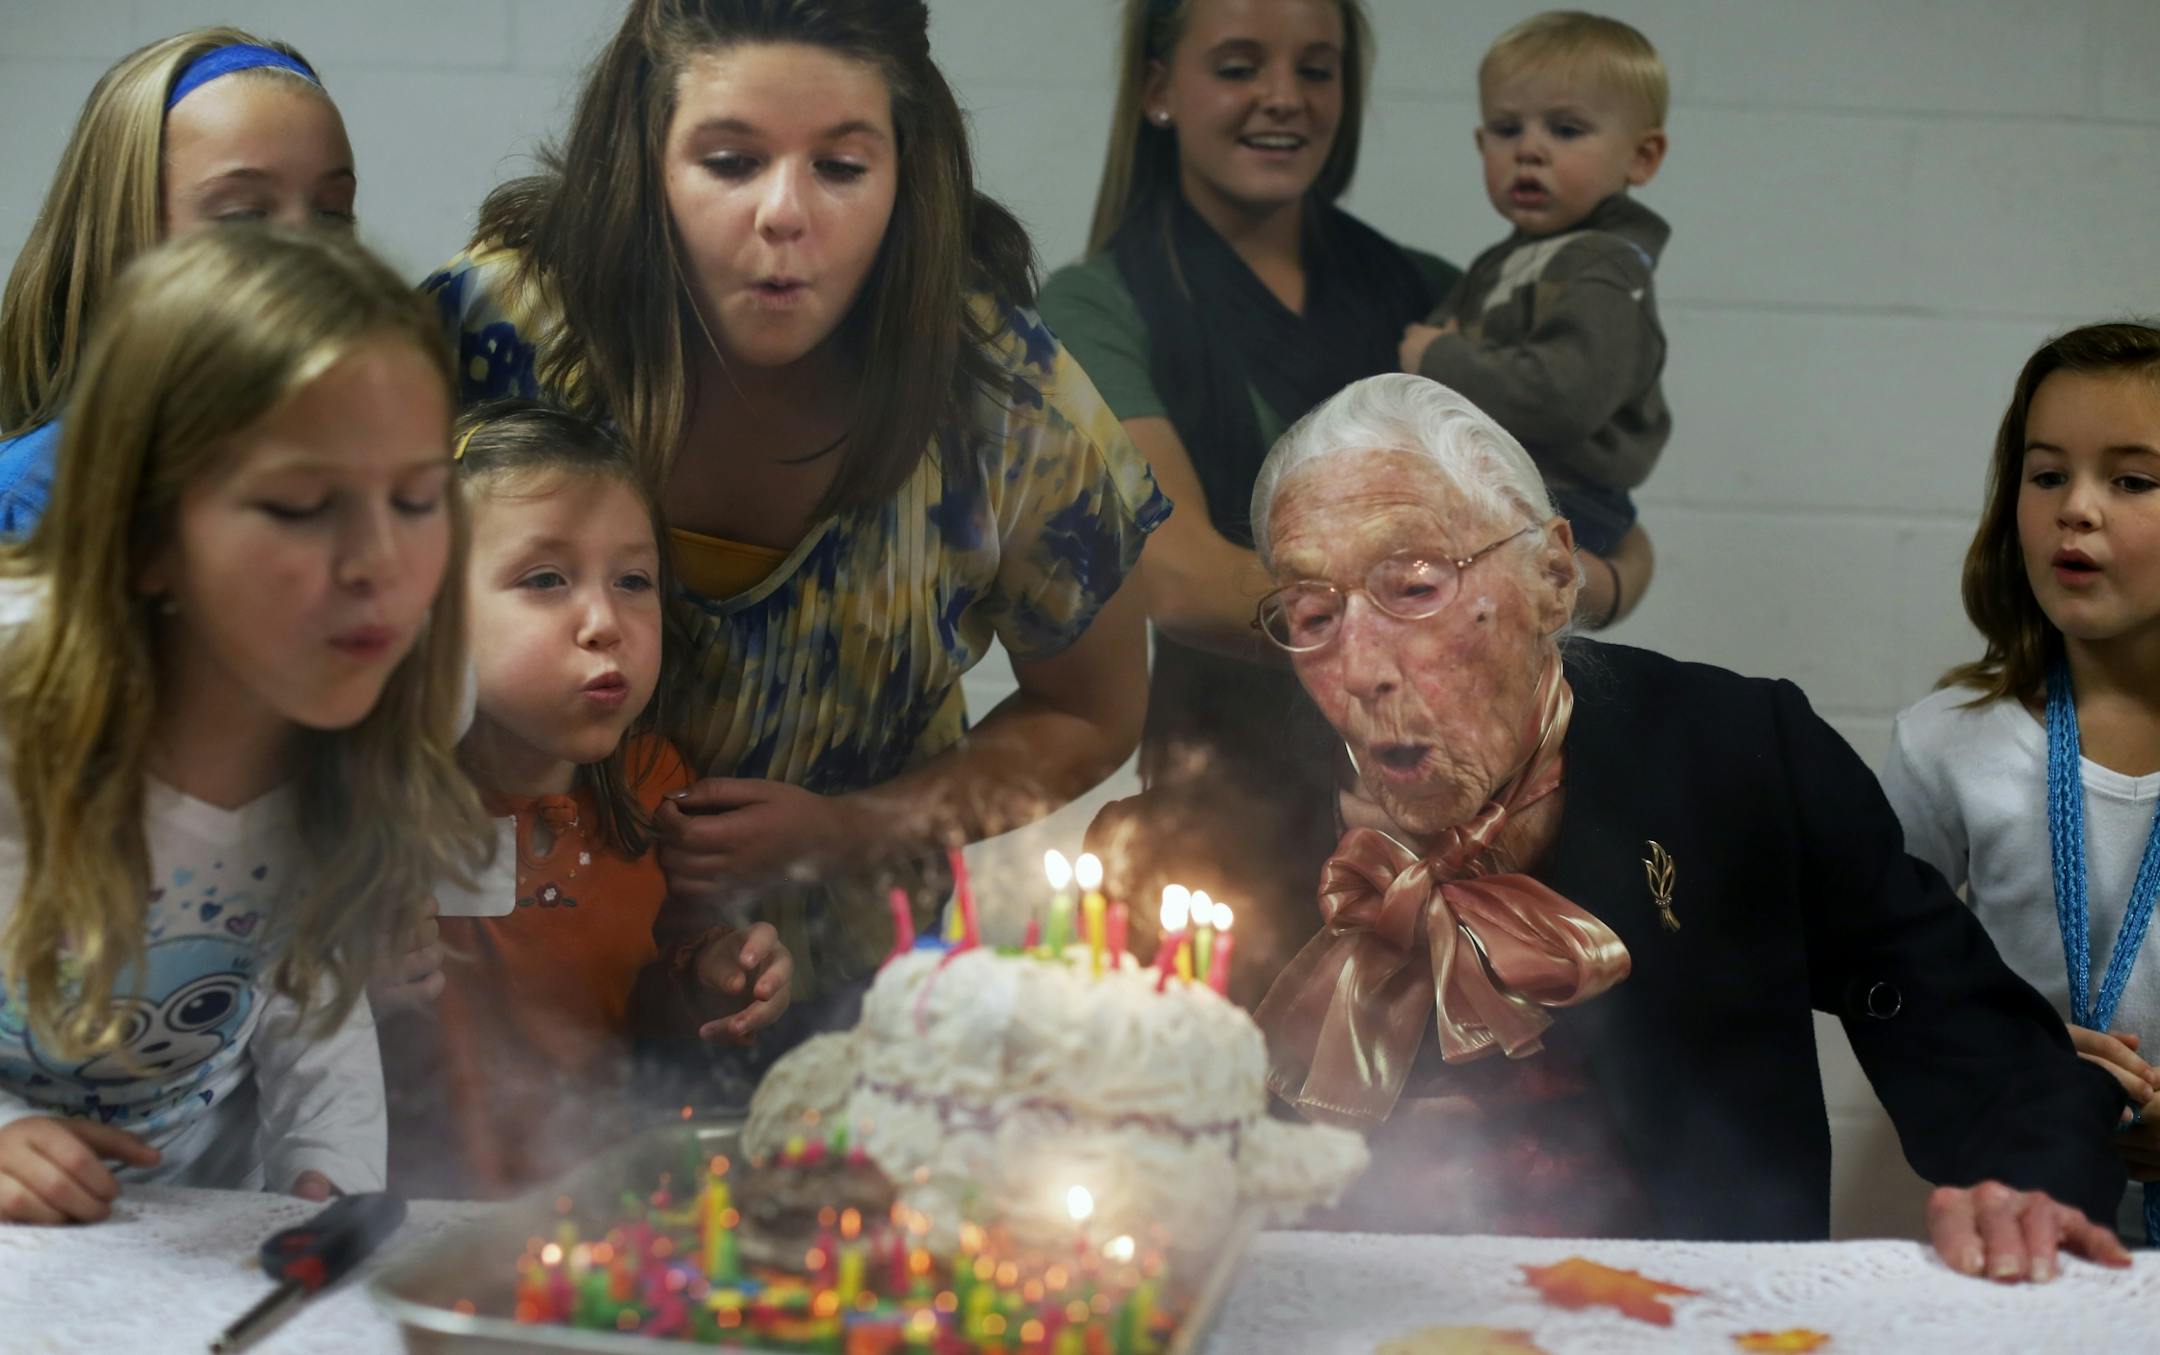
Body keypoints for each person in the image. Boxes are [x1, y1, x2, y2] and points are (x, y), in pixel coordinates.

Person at [423, 0, 1163, 1077]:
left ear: (909, 173)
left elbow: (1096, 708)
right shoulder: (499, 332)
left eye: (842, 167)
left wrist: (853, 828)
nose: (784, 213)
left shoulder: (1000, 395)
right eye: (729, 160)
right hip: (493, 1009)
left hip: (845, 1016)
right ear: (644, 161)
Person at [1249, 373, 2128, 1277]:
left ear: (1553, 576)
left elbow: (1964, 1029)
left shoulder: (1735, 753)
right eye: (1314, 615)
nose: (1358, 668)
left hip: (1694, 1314)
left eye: (1414, 587)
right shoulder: (1246, 811)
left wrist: (2033, 1185)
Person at [0, 226, 491, 1224]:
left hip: (188, 1221)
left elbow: (309, 969)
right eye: (303, 504)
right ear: (143, 538)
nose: (379, 564)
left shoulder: (407, 692)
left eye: (417, 498)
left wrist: (329, 1172)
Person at [1041, 0, 1457, 1002]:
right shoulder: (1094, 308)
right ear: (1156, 89)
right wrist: (1447, 628)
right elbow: (1180, 577)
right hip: (1218, 849)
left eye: (1317, 69)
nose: (1285, 98)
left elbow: (1581, 532)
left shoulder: (1438, 300)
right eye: (1239, 65)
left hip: (1445, 843)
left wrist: (1603, 571)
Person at [384, 402, 793, 1197]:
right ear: (430, 612)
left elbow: (659, 1019)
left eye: (634, 580)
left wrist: (715, 976)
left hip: (605, 1216)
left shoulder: (653, 789)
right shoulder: (379, 802)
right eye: (546, 579)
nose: (606, 622)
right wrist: (347, 987)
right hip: (406, 1220)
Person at [1884, 322, 2160, 1247]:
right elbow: (1891, 993)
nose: (2077, 509)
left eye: (2133, 479)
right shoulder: (1944, 746)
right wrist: (2018, 1072)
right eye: (2048, 475)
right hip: (2025, 1238)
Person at [0, 29, 357, 536]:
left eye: (332, 213)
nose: (308, 250)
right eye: (243, 215)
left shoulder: (380, 478)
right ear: (124, 241)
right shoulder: (31, 501)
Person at [1398, 10, 1667, 628]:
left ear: (1642, 156)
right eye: (1506, 128)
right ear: (1480, 144)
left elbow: (1563, 395)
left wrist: (1434, 358)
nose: (1530, 150)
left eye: (1566, 130)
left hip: (1566, 495)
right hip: (1521, 487)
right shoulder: (1516, 256)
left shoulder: (1601, 268)